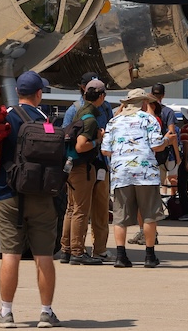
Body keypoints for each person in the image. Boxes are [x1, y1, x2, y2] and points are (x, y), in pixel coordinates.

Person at [0, 71, 63, 329]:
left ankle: (6, 313)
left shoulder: (4, 118)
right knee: (43, 255)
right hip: (42, 196)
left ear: (17, 93)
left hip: (8, 194)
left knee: (10, 255)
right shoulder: (47, 121)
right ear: (38, 94)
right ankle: (46, 313)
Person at [101, 87, 177, 268]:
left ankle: (121, 255)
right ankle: (150, 256)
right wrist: (168, 140)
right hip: (145, 174)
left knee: (120, 216)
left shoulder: (114, 121)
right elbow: (157, 145)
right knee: (149, 214)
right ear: (143, 102)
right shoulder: (149, 119)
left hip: (121, 173)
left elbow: (105, 150)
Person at [62, 71, 114, 260]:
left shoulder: (104, 108)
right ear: (84, 88)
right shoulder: (79, 110)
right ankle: (76, 250)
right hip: (86, 164)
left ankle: (89, 248)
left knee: (82, 208)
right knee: (81, 210)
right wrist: (97, 141)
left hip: (92, 164)